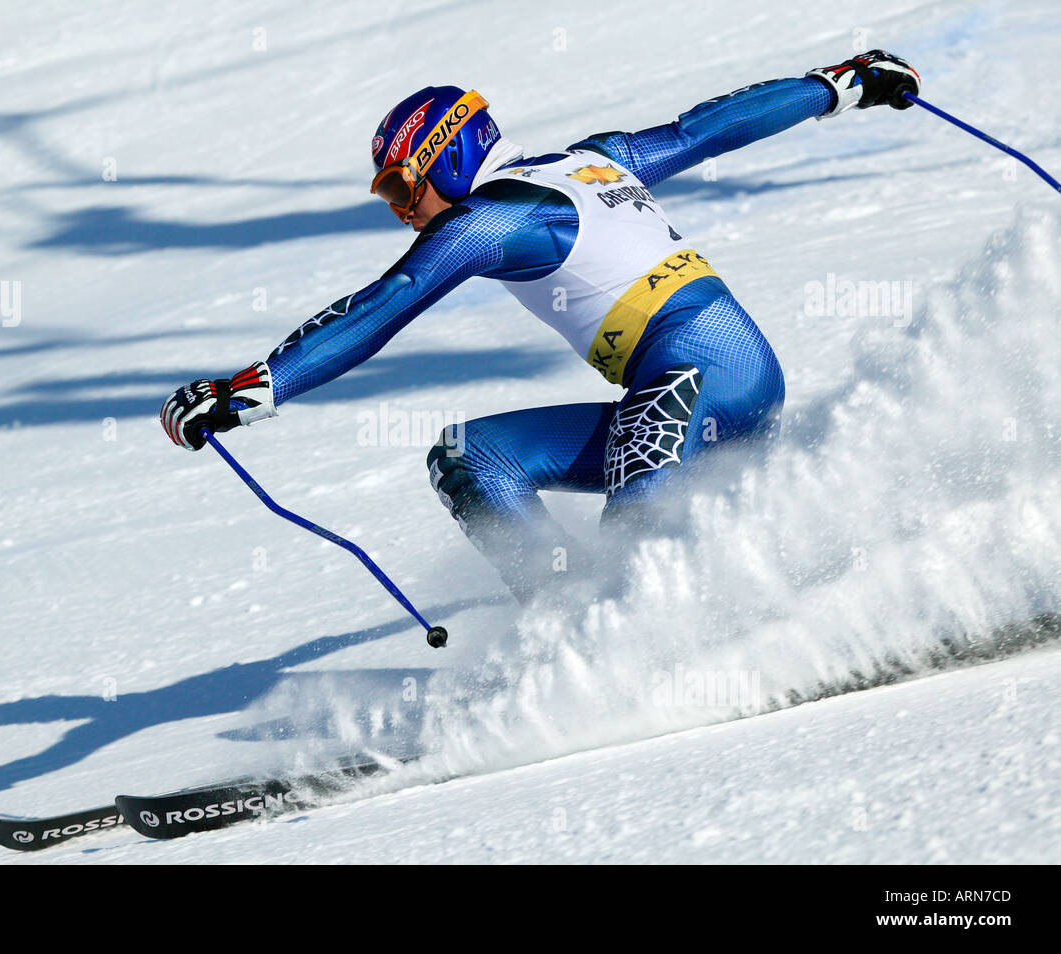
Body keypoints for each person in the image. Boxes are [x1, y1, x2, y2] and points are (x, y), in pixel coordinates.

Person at [161, 50, 921, 604]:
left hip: (694, 385)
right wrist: (841, 84)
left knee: (636, 573)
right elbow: (708, 129)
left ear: (446, 154)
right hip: (710, 384)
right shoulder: (595, 160)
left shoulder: (487, 220)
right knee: (471, 457)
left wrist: (254, 388)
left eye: (401, 183)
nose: (399, 207)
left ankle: (619, 639)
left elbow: (381, 307)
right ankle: (568, 630)